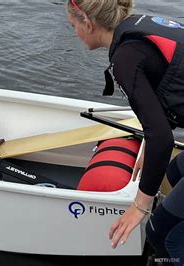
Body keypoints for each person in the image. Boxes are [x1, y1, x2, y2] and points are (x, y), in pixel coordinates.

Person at [66, 0, 184, 264]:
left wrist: (139, 207)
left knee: (161, 233)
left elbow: (163, 139)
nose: (75, 32)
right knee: (175, 172)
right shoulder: (141, 26)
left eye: (73, 26)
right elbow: (174, 85)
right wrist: (150, 146)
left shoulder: (125, 58)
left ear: (88, 22)